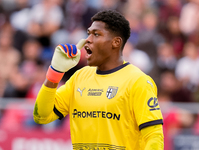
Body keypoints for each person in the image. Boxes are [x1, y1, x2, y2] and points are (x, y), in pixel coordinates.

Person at [33, 10, 164, 149]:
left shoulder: (138, 81)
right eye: (88, 33)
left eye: (96, 34)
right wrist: (55, 71)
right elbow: (41, 116)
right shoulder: (79, 77)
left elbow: (154, 136)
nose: (88, 39)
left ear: (116, 42)